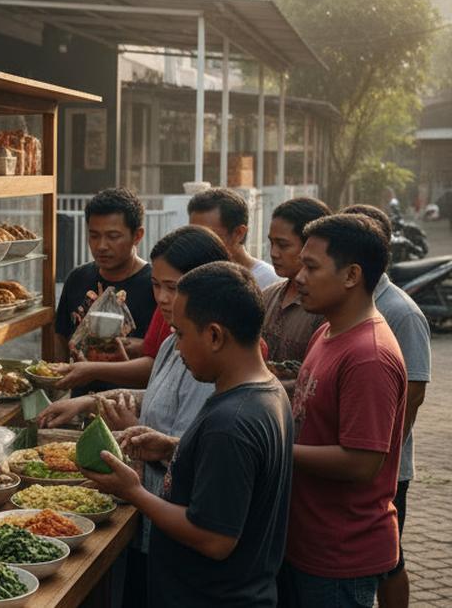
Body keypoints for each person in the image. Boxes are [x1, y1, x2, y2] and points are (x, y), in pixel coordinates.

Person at [39, 225, 230, 608]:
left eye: (173, 287)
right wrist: (88, 402)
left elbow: (199, 452)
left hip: (181, 533)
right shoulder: (175, 340)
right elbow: (155, 396)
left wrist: (138, 435)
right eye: (157, 285)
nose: (162, 298)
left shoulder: (212, 356)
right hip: (151, 520)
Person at [82, 262, 293, 607]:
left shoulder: (231, 423)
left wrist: (133, 491)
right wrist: (171, 447)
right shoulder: (266, 391)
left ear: (214, 336)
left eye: (180, 334)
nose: (177, 349)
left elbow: (215, 539)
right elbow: (240, 470)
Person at [280, 214, 407, 608]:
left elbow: (362, 461)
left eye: (312, 267)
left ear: (352, 275)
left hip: (340, 555)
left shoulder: (369, 355)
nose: (300, 277)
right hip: (308, 540)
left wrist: (276, 449)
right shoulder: (327, 330)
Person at [341, 204, 432, 608]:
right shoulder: (345, 305)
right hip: (357, 454)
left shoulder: (401, 311)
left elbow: (413, 393)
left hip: (385, 465)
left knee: (389, 560)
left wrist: (381, 453)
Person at [53, 188, 157, 394]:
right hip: (78, 404)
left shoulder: (156, 286)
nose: (101, 246)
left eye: (113, 236)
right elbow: (61, 338)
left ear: (137, 235)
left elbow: (160, 364)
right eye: (94, 236)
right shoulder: (77, 278)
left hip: (131, 405)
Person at [262, 197, 331, 365]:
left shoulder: (326, 309)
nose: (273, 253)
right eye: (271, 243)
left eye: (283, 245)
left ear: (310, 246)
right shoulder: (267, 296)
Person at [187, 188, 279, 289]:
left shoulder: (268, 282)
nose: (198, 243)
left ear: (239, 233)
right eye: (194, 233)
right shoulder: (191, 276)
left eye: (208, 235)